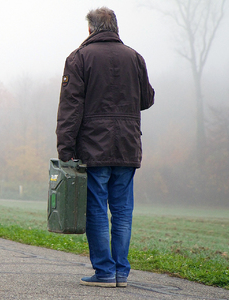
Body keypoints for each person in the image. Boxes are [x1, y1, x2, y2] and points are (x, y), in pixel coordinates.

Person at [56, 7, 155, 288]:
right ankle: (121, 274)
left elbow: (70, 108)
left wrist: (66, 149)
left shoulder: (78, 58)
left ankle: (104, 272)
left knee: (97, 210)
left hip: (94, 146)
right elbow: (146, 99)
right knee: (122, 211)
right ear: (115, 27)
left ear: (90, 29)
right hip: (127, 145)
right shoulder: (135, 57)